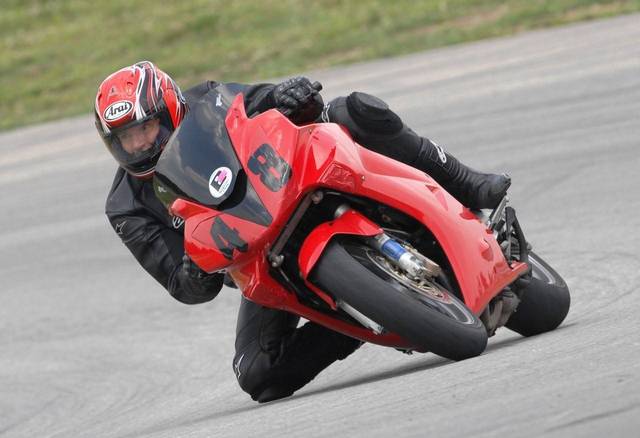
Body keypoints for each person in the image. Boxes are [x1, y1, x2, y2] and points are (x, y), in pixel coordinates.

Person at [95, 61, 510, 403]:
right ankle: (366, 314)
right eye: (126, 138)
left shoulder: (208, 101)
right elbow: (180, 284)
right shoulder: (126, 207)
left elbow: (267, 102)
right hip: (258, 258)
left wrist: (290, 94)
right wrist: (196, 267)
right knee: (257, 374)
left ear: (170, 110)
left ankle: (464, 182)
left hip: (295, 183)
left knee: (352, 110)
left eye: (145, 128)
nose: (139, 144)